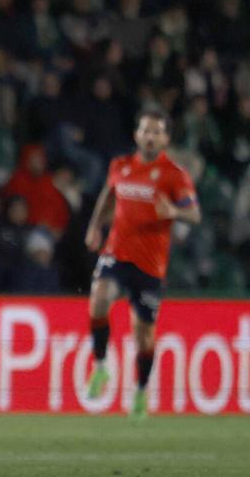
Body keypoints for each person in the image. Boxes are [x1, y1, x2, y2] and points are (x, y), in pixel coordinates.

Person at [83, 109, 201, 420]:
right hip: (117, 253)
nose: (150, 137)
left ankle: (141, 390)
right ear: (137, 134)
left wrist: (174, 212)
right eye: (145, 131)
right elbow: (109, 195)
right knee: (99, 299)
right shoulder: (120, 166)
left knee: (143, 335)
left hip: (150, 265)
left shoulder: (174, 175)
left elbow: (194, 214)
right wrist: (95, 226)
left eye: (156, 132)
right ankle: (100, 366)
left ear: (165, 139)